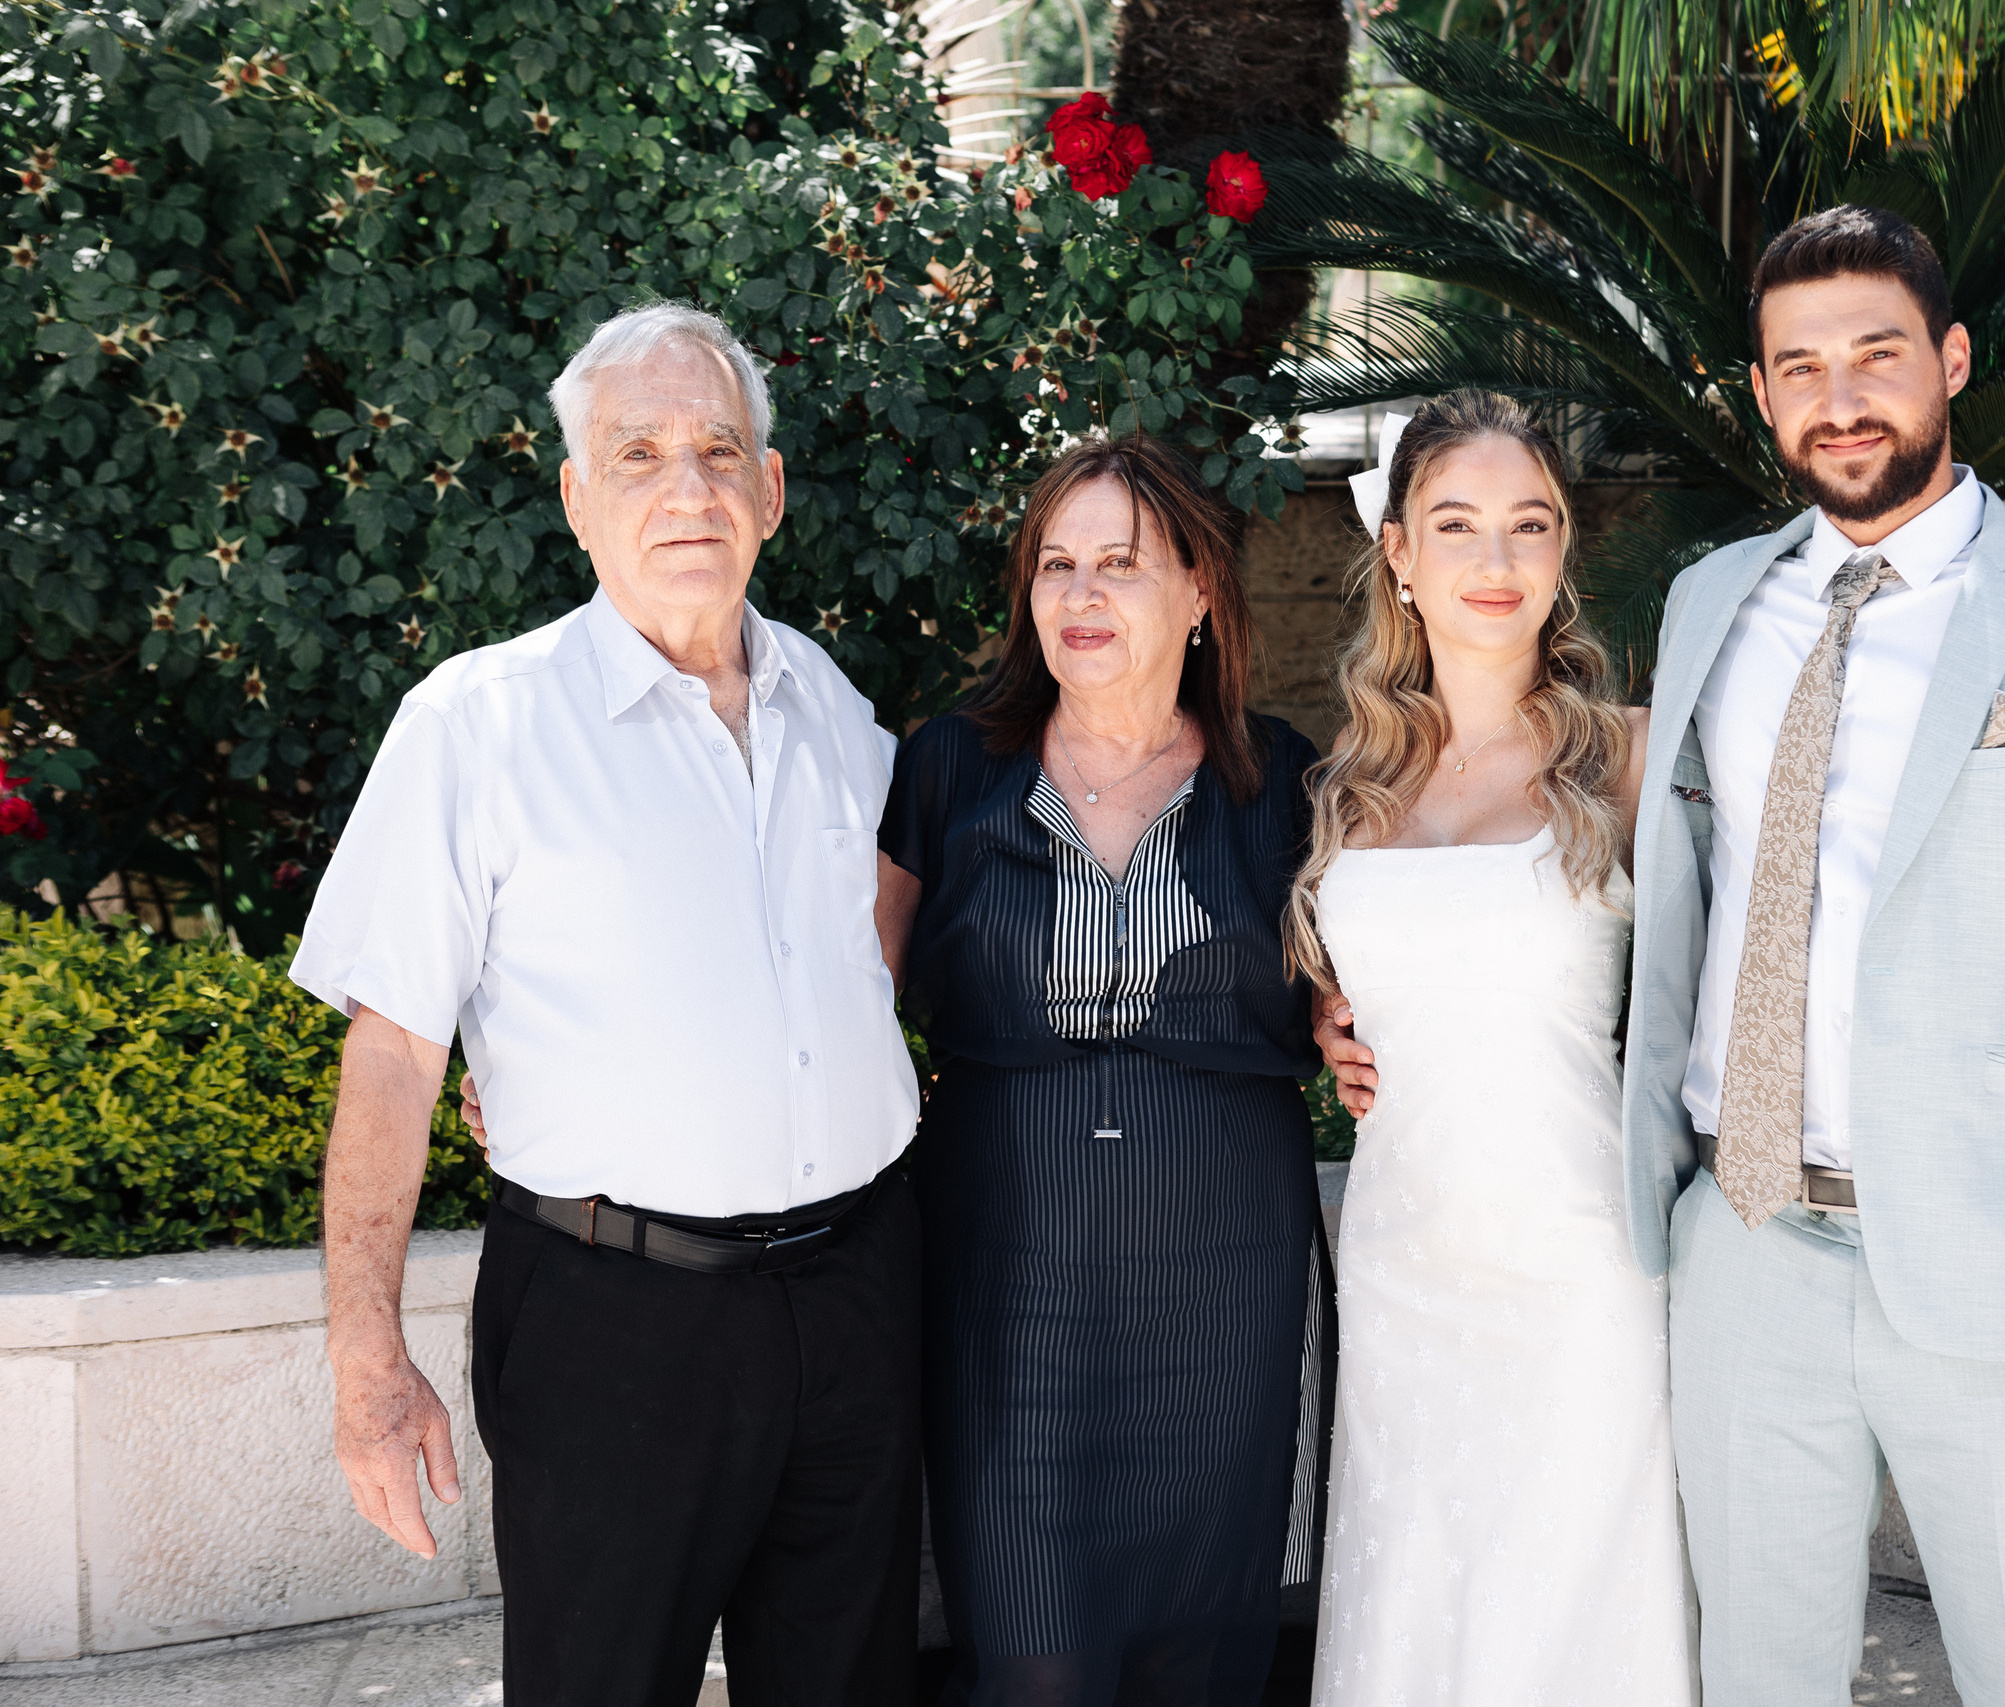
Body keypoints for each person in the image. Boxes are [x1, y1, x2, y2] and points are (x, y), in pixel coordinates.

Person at [1323, 208, 2005, 1705]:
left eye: (1878, 355)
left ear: (1951, 361)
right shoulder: (1715, 606)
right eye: (1801, 367)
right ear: (1761, 395)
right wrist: (1355, 1011)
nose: (1842, 397)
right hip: (1746, 1248)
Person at [295, 301, 924, 1707]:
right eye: (637, 453)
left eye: (719, 448)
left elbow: (868, 941)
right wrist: (367, 1353)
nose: (686, 486)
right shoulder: (477, 721)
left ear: (769, 490)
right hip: (613, 1318)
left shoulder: (832, 703)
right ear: (579, 498)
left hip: (855, 1292)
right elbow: (395, 1053)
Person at [875, 435, 1323, 1707]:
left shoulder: (1282, 779)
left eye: (1119, 565)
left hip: (1225, 1267)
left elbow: (1373, 987)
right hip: (1007, 1263)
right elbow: (831, 992)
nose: (1079, 596)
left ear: (1198, 595)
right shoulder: (949, 769)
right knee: (1029, 1651)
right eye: (1055, 564)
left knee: (1203, 1642)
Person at [1289, 389, 1693, 1704]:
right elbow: (1379, 981)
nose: (1496, 559)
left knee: (1567, 1625)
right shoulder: (1347, 787)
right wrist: (1322, 1017)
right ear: (1398, 549)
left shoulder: (1626, 762)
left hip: (1584, 1272)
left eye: (1531, 524)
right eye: (1456, 524)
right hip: (1406, 1269)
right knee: (1415, 1605)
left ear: (1565, 548)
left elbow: (1742, 983)